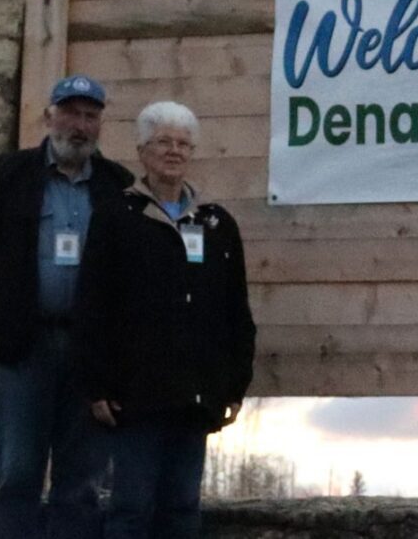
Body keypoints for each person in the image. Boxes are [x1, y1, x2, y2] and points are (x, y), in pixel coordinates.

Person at [0, 74, 130, 538]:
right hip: (19, 350)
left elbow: (134, 282)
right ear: (49, 117)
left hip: (90, 355)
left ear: (100, 124)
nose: (79, 126)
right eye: (70, 113)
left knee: (82, 483)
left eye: (89, 116)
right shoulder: (7, 176)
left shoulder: (118, 187)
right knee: (15, 474)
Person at [75, 100, 256, 539]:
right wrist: (97, 385)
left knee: (182, 508)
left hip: (195, 397)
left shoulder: (217, 224)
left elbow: (236, 310)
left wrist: (234, 385)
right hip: (135, 396)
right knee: (131, 508)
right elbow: (93, 304)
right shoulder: (117, 216)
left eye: (182, 144)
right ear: (141, 151)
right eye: (162, 142)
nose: (173, 151)